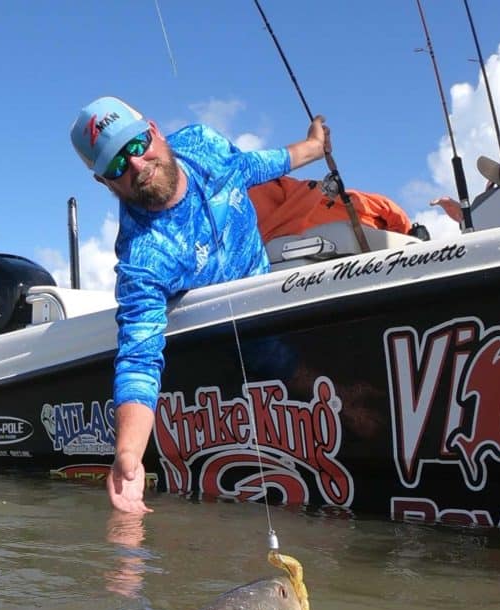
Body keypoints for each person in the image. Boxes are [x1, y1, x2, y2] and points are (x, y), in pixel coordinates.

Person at [69, 95, 330, 513]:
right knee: (345, 404)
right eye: (117, 165)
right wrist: (129, 456)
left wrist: (313, 148)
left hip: (278, 302)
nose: (136, 165)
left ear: (153, 129)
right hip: (250, 356)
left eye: (136, 145)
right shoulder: (144, 257)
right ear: (105, 182)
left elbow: (254, 165)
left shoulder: (203, 144)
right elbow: (139, 358)